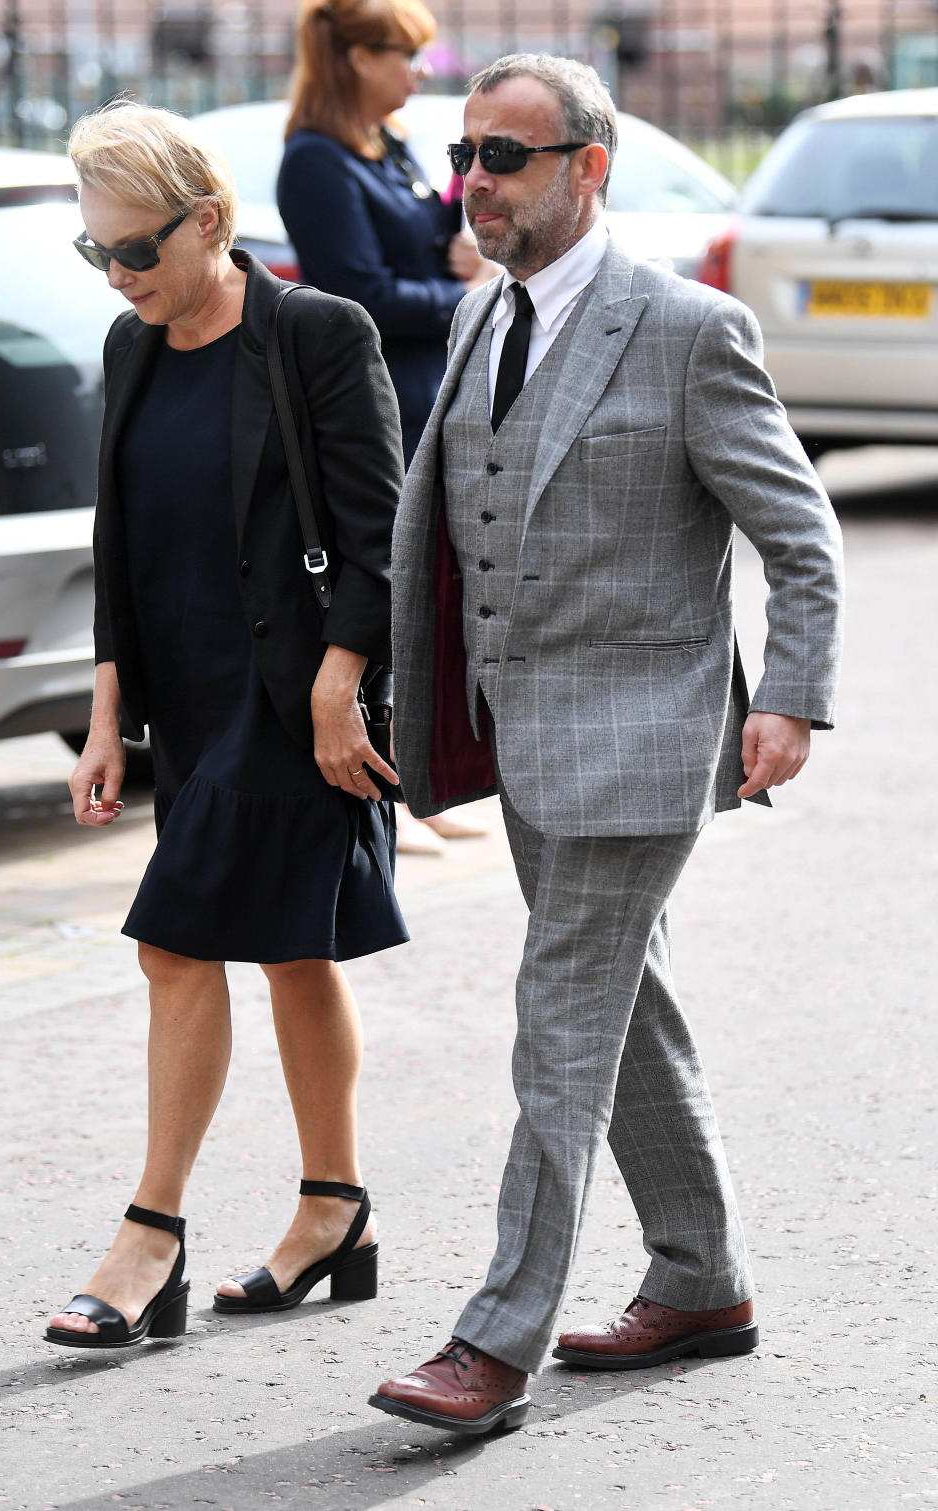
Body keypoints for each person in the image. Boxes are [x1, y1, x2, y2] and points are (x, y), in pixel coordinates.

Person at [370, 54, 844, 1435]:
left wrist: (791, 695)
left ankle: (494, 1336)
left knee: (560, 1016)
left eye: (507, 155)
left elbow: (801, 535)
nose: (477, 182)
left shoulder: (689, 330)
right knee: (628, 1006)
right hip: (514, 729)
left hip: (643, 738)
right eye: (466, 154)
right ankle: (702, 1276)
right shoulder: (477, 314)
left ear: (591, 165)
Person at [45, 101, 408, 1350]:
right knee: (292, 952)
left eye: (136, 249)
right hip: (193, 707)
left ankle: (151, 1235)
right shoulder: (132, 346)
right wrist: (106, 715)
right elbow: (120, 548)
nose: (119, 274)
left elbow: (381, 533)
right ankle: (336, 1207)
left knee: (175, 943)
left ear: (209, 220)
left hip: (298, 709)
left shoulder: (314, 334)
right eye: (99, 254)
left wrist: (336, 683)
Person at [276, 0, 497, 854]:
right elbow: (357, 297)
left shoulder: (393, 145)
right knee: (385, 586)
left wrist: (469, 240)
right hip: (375, 405)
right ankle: (381, 785)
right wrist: (465, 294)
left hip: (430, 391)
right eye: (400, 55)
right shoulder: (316, 161)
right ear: (350, 58)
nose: (417, 73)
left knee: (430, 589)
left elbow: (440, 239)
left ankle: (418, 776)